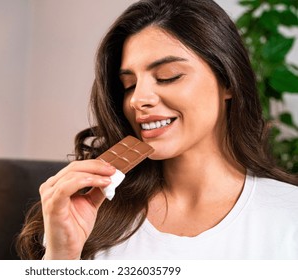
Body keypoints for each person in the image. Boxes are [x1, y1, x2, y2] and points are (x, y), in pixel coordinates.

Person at [16, 0, 298, 260]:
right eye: (129, 85)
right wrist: (61, 257)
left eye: (168, 77)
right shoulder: (89, 214)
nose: (139, 99)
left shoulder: (288, 217)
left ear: (228, 82)